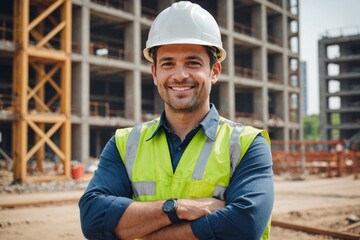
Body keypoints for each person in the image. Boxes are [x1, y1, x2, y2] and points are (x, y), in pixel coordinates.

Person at [79, 1, 274, 239]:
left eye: (193, 63)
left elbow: (244, 225)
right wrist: (177, 208)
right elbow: (93, 219)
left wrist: (140, 229)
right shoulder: (124, 143)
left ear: (214, 72)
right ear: (155, 73)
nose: (180, 75)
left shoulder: (247, 144)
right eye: (167, 63)